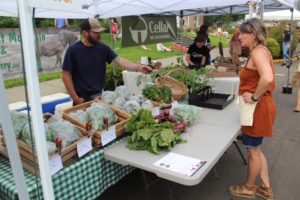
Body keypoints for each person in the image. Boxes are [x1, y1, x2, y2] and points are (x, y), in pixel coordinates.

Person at [229, 18, 276, 200]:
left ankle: (249, 188)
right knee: (256, 149)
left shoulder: (258, 53)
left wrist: (254, 96)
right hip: (260, 107)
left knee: (253, 151)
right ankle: (265, 187)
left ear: (254, 35)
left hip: (257, 108)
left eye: (243, 33)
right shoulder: (259, 51)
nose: (239, 36)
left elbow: (267, 78)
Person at [62, 18, 152, 105]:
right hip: (81, 98)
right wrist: (75, 98)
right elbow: (66, 76)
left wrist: (138, 67)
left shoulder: (102, 48)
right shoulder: (73, 50)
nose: (100, 35)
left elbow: (120, 60)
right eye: (96, 33)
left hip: (99, 96)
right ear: (85, 33)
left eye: (100, 32)